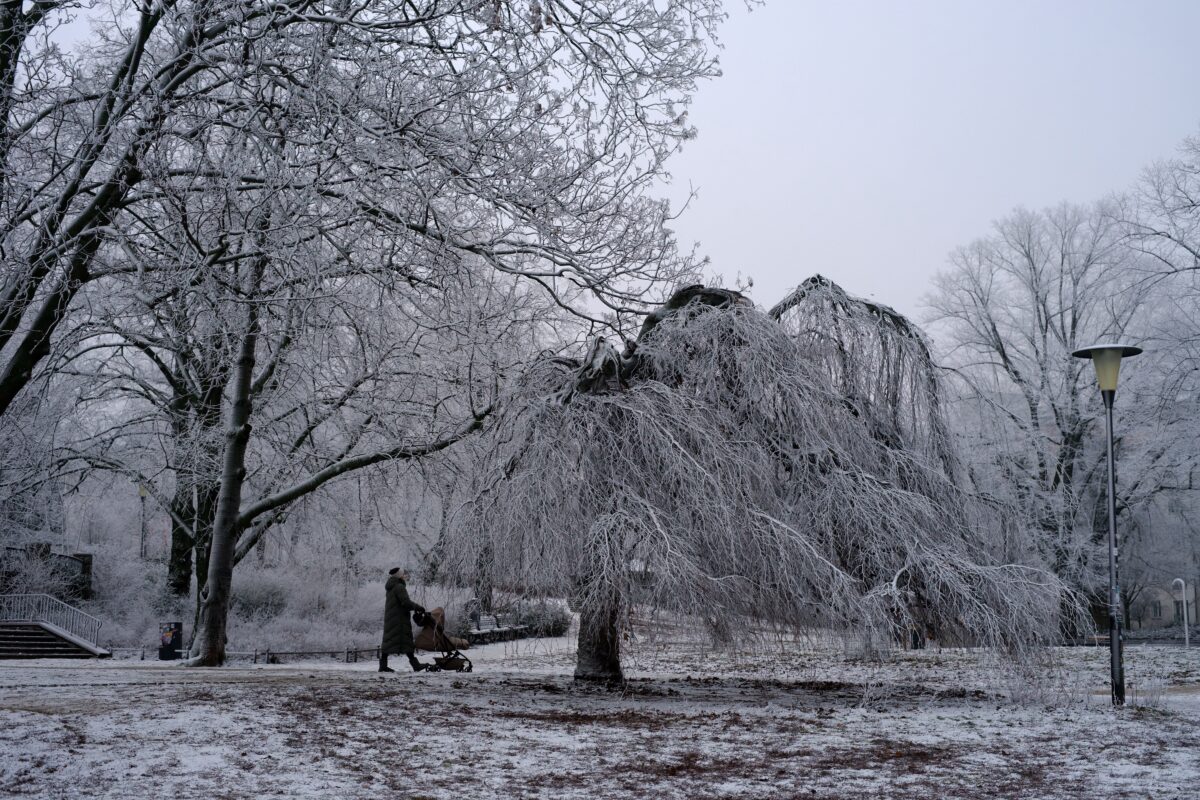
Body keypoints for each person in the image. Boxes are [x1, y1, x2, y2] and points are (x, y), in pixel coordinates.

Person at [380, 567, 429, 673]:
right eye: (403, 574)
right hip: (399, 619)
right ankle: (416, 665)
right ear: (399, 576)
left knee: (389, 641)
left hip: (391, 618)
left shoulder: (391, 587)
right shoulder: (399, 587)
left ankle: (383, 666)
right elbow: (405, 602)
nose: (405, 576)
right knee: (406, 641)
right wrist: (418, 607)